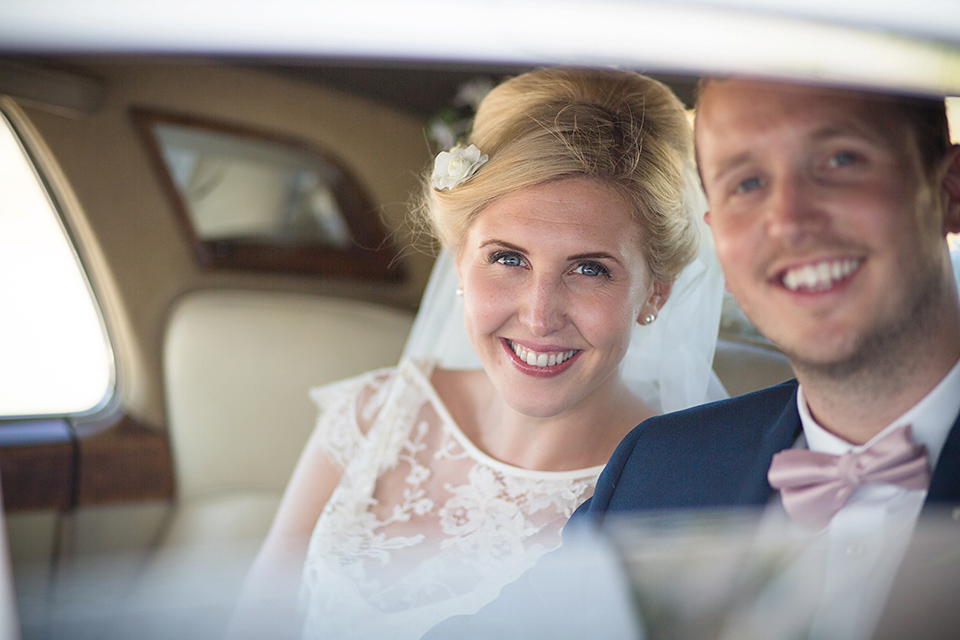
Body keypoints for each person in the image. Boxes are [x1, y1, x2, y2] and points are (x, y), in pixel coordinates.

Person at [425, 77, 960, 639]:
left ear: (949, 188)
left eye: (840, 160)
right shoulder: (659, 470)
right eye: (746, 184)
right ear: (720, 238)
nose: (789, 221)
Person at [226, 67, 727, 640]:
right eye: (508, 258)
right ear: (460, 258)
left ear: (655, 291)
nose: (539, 316)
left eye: (590, 269)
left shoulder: (680, 489)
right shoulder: (371, 415)